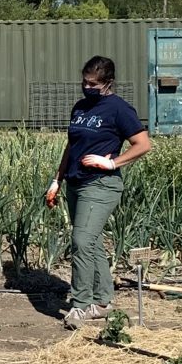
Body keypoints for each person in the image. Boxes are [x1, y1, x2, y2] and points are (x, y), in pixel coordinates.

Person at [48, 55, 151, 330]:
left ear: (108, 83)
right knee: (90, 243)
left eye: (93, 83)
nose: (87, 87)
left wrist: (112, 162)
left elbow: (143, 144)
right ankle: (104, 302)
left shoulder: (118, 109)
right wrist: (57, 180)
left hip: (101, 185)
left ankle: (80, 305)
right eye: (84, 81)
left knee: (81, 241)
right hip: (75, 182)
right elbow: (71, 146)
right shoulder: (80, 107)